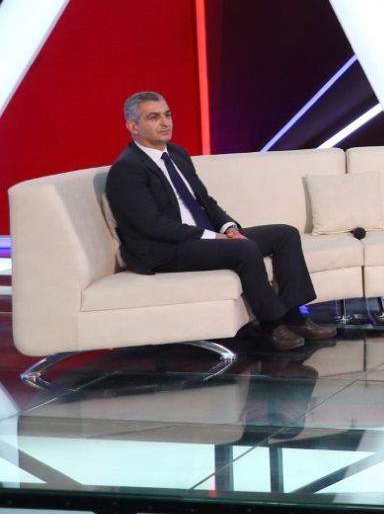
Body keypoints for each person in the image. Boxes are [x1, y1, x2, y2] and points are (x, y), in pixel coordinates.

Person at [105, 92, 334, 351]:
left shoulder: (177, 154)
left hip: (202, 237)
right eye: (154, 117)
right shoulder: (127, 169)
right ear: (133, 126)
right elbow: (153, 225)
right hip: (165, 249)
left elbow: (206, 202)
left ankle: (294, 318)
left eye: (167, 114)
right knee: (244, 249)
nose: (165, 122)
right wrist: (214, 237)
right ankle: (271, 325)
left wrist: (229, 228)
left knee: (285, 234)